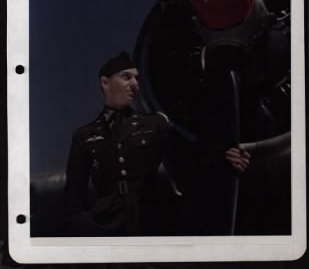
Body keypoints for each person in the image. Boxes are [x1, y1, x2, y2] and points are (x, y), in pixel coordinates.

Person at [65, 51, 250, 237]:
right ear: (105, 83)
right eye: (126, 77)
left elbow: (189, 161)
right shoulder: (84, 135)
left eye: (137, 78)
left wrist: (226, 158)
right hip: (105, 225)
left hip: (150, 219)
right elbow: (74, 192)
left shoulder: (155, 124)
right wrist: (84, 224)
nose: (135, 84)